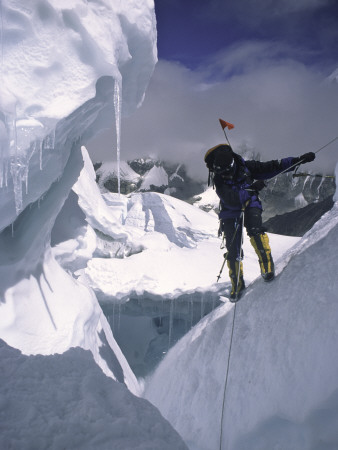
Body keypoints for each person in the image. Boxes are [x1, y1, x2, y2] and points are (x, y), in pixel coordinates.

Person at [204, 144, 315, 300]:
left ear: (232, 164)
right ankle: (237, 284)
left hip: (247, 205)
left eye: (227, 171)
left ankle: (267, 267)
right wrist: (250, 189)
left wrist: (297, 161)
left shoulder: (246, 167)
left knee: (256, 231)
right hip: (233, 209)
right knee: (232, 247)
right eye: (222, 172)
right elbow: (231, 199)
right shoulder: (218, 177)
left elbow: (272, 166)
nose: (225, 175)